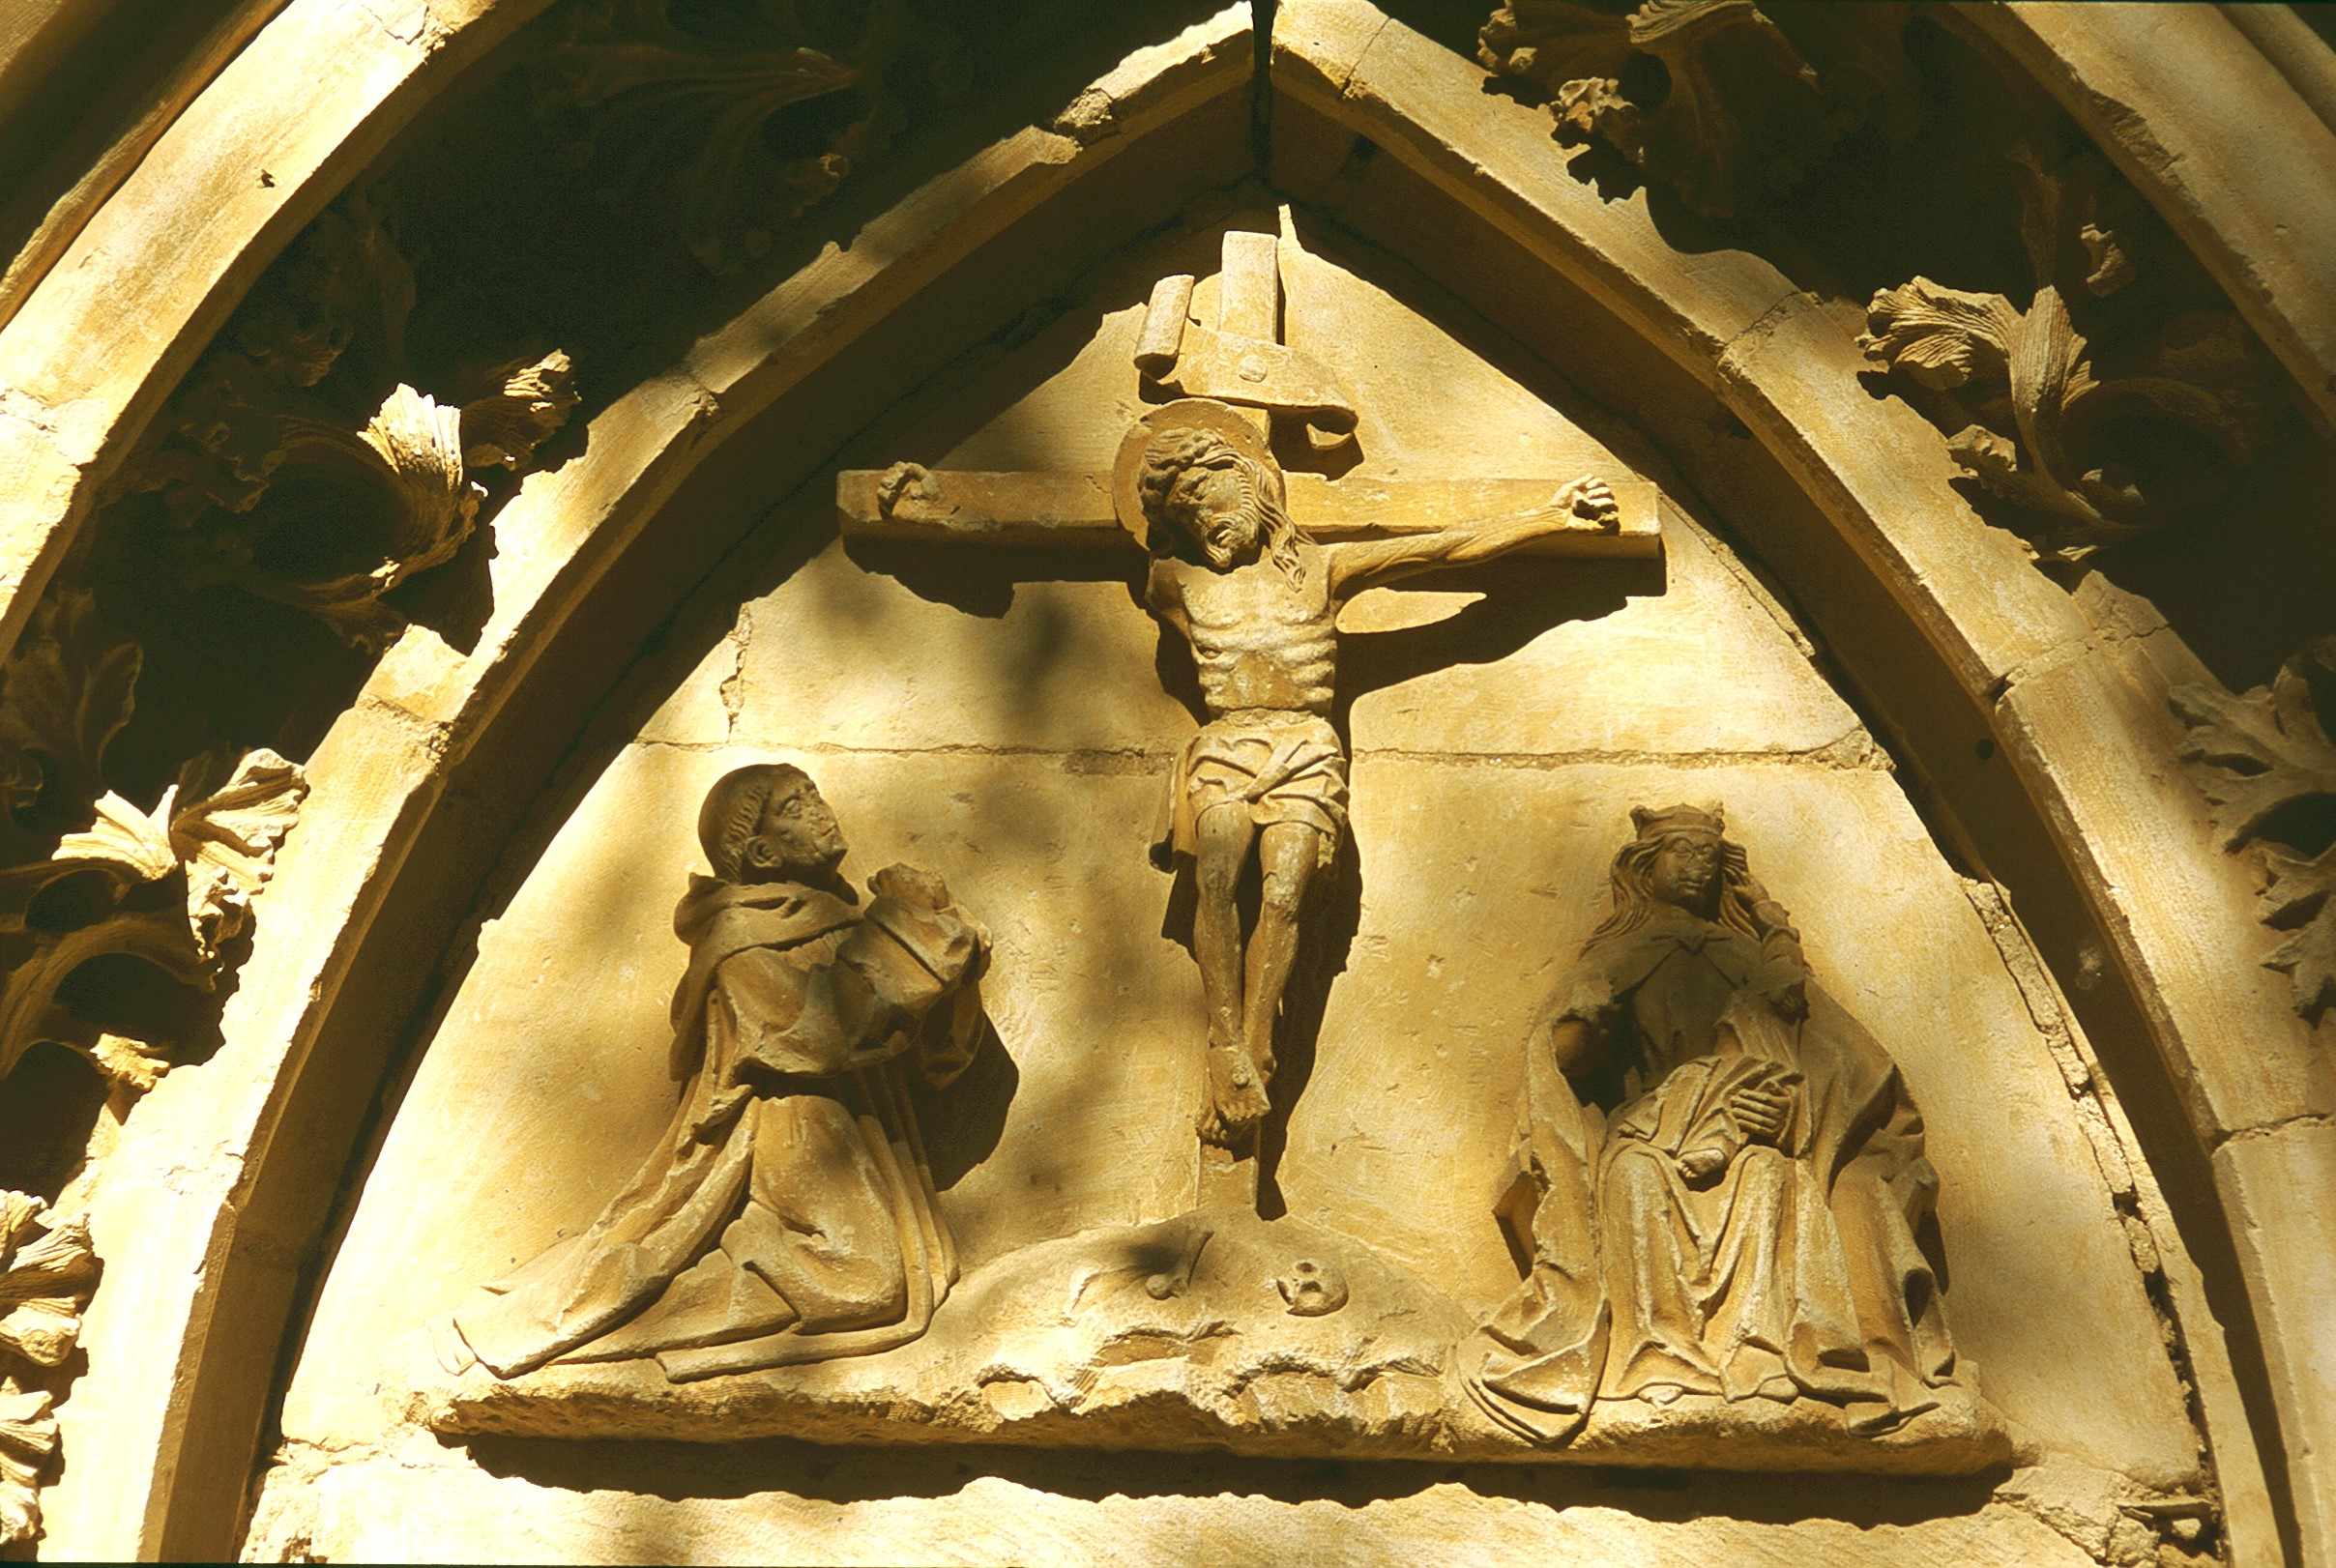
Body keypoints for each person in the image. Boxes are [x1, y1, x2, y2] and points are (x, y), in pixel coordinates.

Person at [1134, 408, 1616, 1147]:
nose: (1204, 521)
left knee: (1287, 887)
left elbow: (1441, 550)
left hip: (1304, 749)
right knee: (1217, 869)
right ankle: (1224, 1042)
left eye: (1206, 496)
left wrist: (1550, 518)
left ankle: (1259, 1041)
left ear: (1248, 480)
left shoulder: (1322, 571)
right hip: (1226, 746)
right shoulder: (1172, 583)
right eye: (1184, 513)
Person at [440, 763, 989, 1382]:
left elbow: (918, 1046)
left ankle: (710, 1268)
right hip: (795, 1130)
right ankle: (679, 1277)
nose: (819, 810)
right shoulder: (740, 941)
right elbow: (829, 1030)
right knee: (863, 1282)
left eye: (813, 794)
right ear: (761, 853)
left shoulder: (833, 918)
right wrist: (912, 925)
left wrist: (945, 937)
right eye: (794, 808)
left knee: (883, 1280)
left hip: (859, 1121)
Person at [1466, 803, 1959, 1440]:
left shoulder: (1742, 957)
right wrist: (1587, 1024)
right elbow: (1563, 1059)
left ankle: (1760, 1354)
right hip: (1650, 1129)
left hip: (1746, 1129)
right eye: (1683, 853)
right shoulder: (1620, 955)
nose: (1697, 867)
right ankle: (1655, 1354)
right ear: (1646, 867)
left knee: (1768, 1175)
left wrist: (1789, 1113)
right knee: (1635, 1176)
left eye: (1708, 856)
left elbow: (1829, 1057)